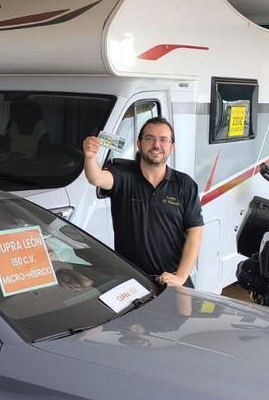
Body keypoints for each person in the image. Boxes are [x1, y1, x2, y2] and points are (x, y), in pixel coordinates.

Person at [82, 117, 204, 289]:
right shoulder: (123, 175)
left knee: (183, 315)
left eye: (163, 140)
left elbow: (195, 232)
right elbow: (96, 177)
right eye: (149, 138)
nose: (156, 145)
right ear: (139, 144)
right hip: (131, 281)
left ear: (172, 147)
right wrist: (90, 157)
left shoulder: (184, 184)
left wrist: (181, 276)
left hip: (172, 280)